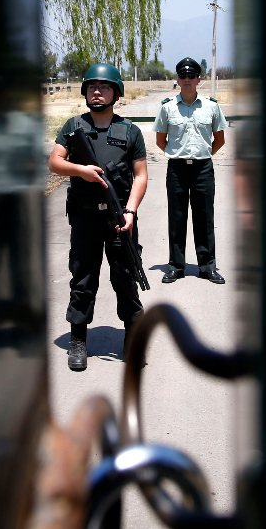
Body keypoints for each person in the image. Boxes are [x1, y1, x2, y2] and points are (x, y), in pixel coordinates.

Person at [49, 63, 148, 371]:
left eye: (104, 87)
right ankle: (78, 340)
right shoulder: (72, 126)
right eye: (92, 86)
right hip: (85, 218)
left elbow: (141, 175)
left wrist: (130, 210)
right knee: (82, 279)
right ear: (85, 91)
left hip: (121, 218)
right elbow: (55, 162)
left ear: (116, 92)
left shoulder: (130, 131)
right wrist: (81, 171)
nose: (97, 91)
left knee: (125, 278)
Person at [152, 57, 227, 284]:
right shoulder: (167, 107)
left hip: (203, 169)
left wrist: (202, 156)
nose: (187, 80)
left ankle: (207, 267)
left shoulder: (212, 106)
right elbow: (160, 140)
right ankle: (176, 266)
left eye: (191, 76)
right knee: (177, 218)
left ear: (199, 80)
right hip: (177, 169)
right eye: (183, 76)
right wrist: (180, 154)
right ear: (177, 79)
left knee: (204, 218)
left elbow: (220, 139)